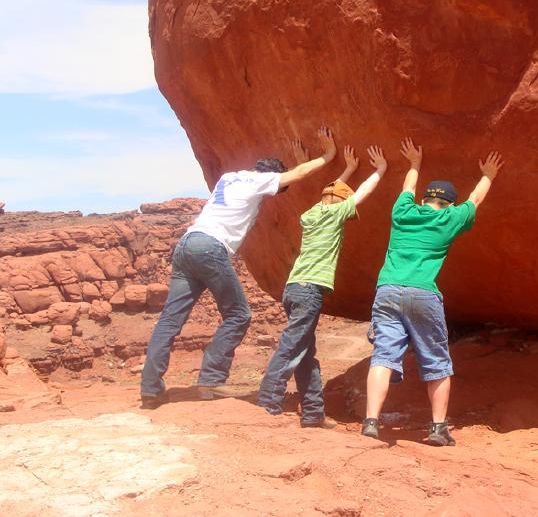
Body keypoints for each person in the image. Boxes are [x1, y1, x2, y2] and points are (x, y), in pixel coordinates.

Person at [139, 128, 340, 409]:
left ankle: (150, 388)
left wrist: (291, 166)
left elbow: (281, 176)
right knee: (239, 314)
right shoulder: (260, 182)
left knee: (170, 320)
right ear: (272, 179)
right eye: (279, 189)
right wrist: (328, 155)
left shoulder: (230, 177)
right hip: (211, 247)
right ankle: (211, 379)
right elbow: (297, 175)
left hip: (186, 245)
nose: (278, 192)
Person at [361, 138, 504, 445]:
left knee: (383, 356)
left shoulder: (403, 213)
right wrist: (488, 175)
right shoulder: (450, 218)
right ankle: (438, 429)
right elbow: (475, 200)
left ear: (425, 200)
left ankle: (371, 422)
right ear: (449, 204)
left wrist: (414, 164)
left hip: (387, 289)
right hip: (423, 293)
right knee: (436, 360)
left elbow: (406, 190)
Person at [257, 144, 388, 427]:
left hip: (293, 288)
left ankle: (314, 413)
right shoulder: (334, 214)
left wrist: (349, 169)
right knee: (293, 346)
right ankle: (267, 400)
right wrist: (379, 171)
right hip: (309, 291)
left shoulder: (312, 214)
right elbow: (362, 194)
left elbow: (332, 191)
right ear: (340, 203)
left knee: (305, 350)